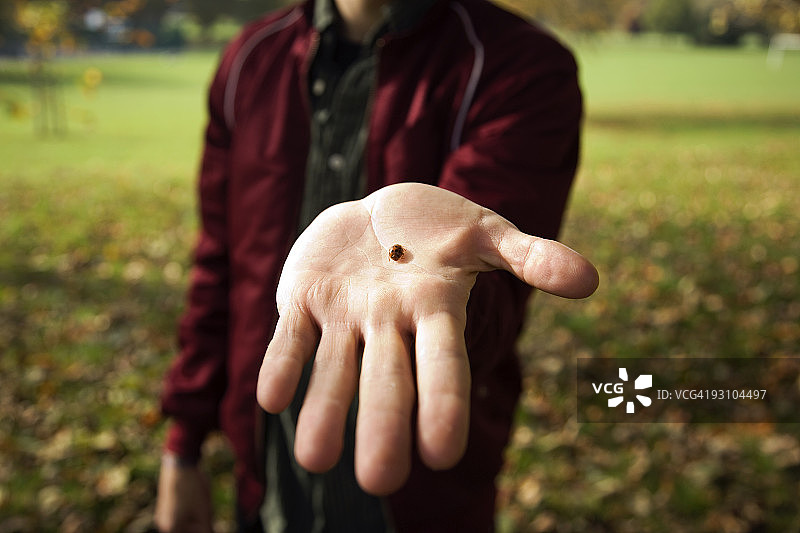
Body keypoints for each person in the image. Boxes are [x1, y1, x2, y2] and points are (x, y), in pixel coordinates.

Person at [155, 0, 597, 531]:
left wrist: (450, 291)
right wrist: (183, 442)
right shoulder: (248, 60)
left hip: (423, 494)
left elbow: (494, 292)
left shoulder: (518, 65)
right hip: (269, 471)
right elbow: (217, 267)